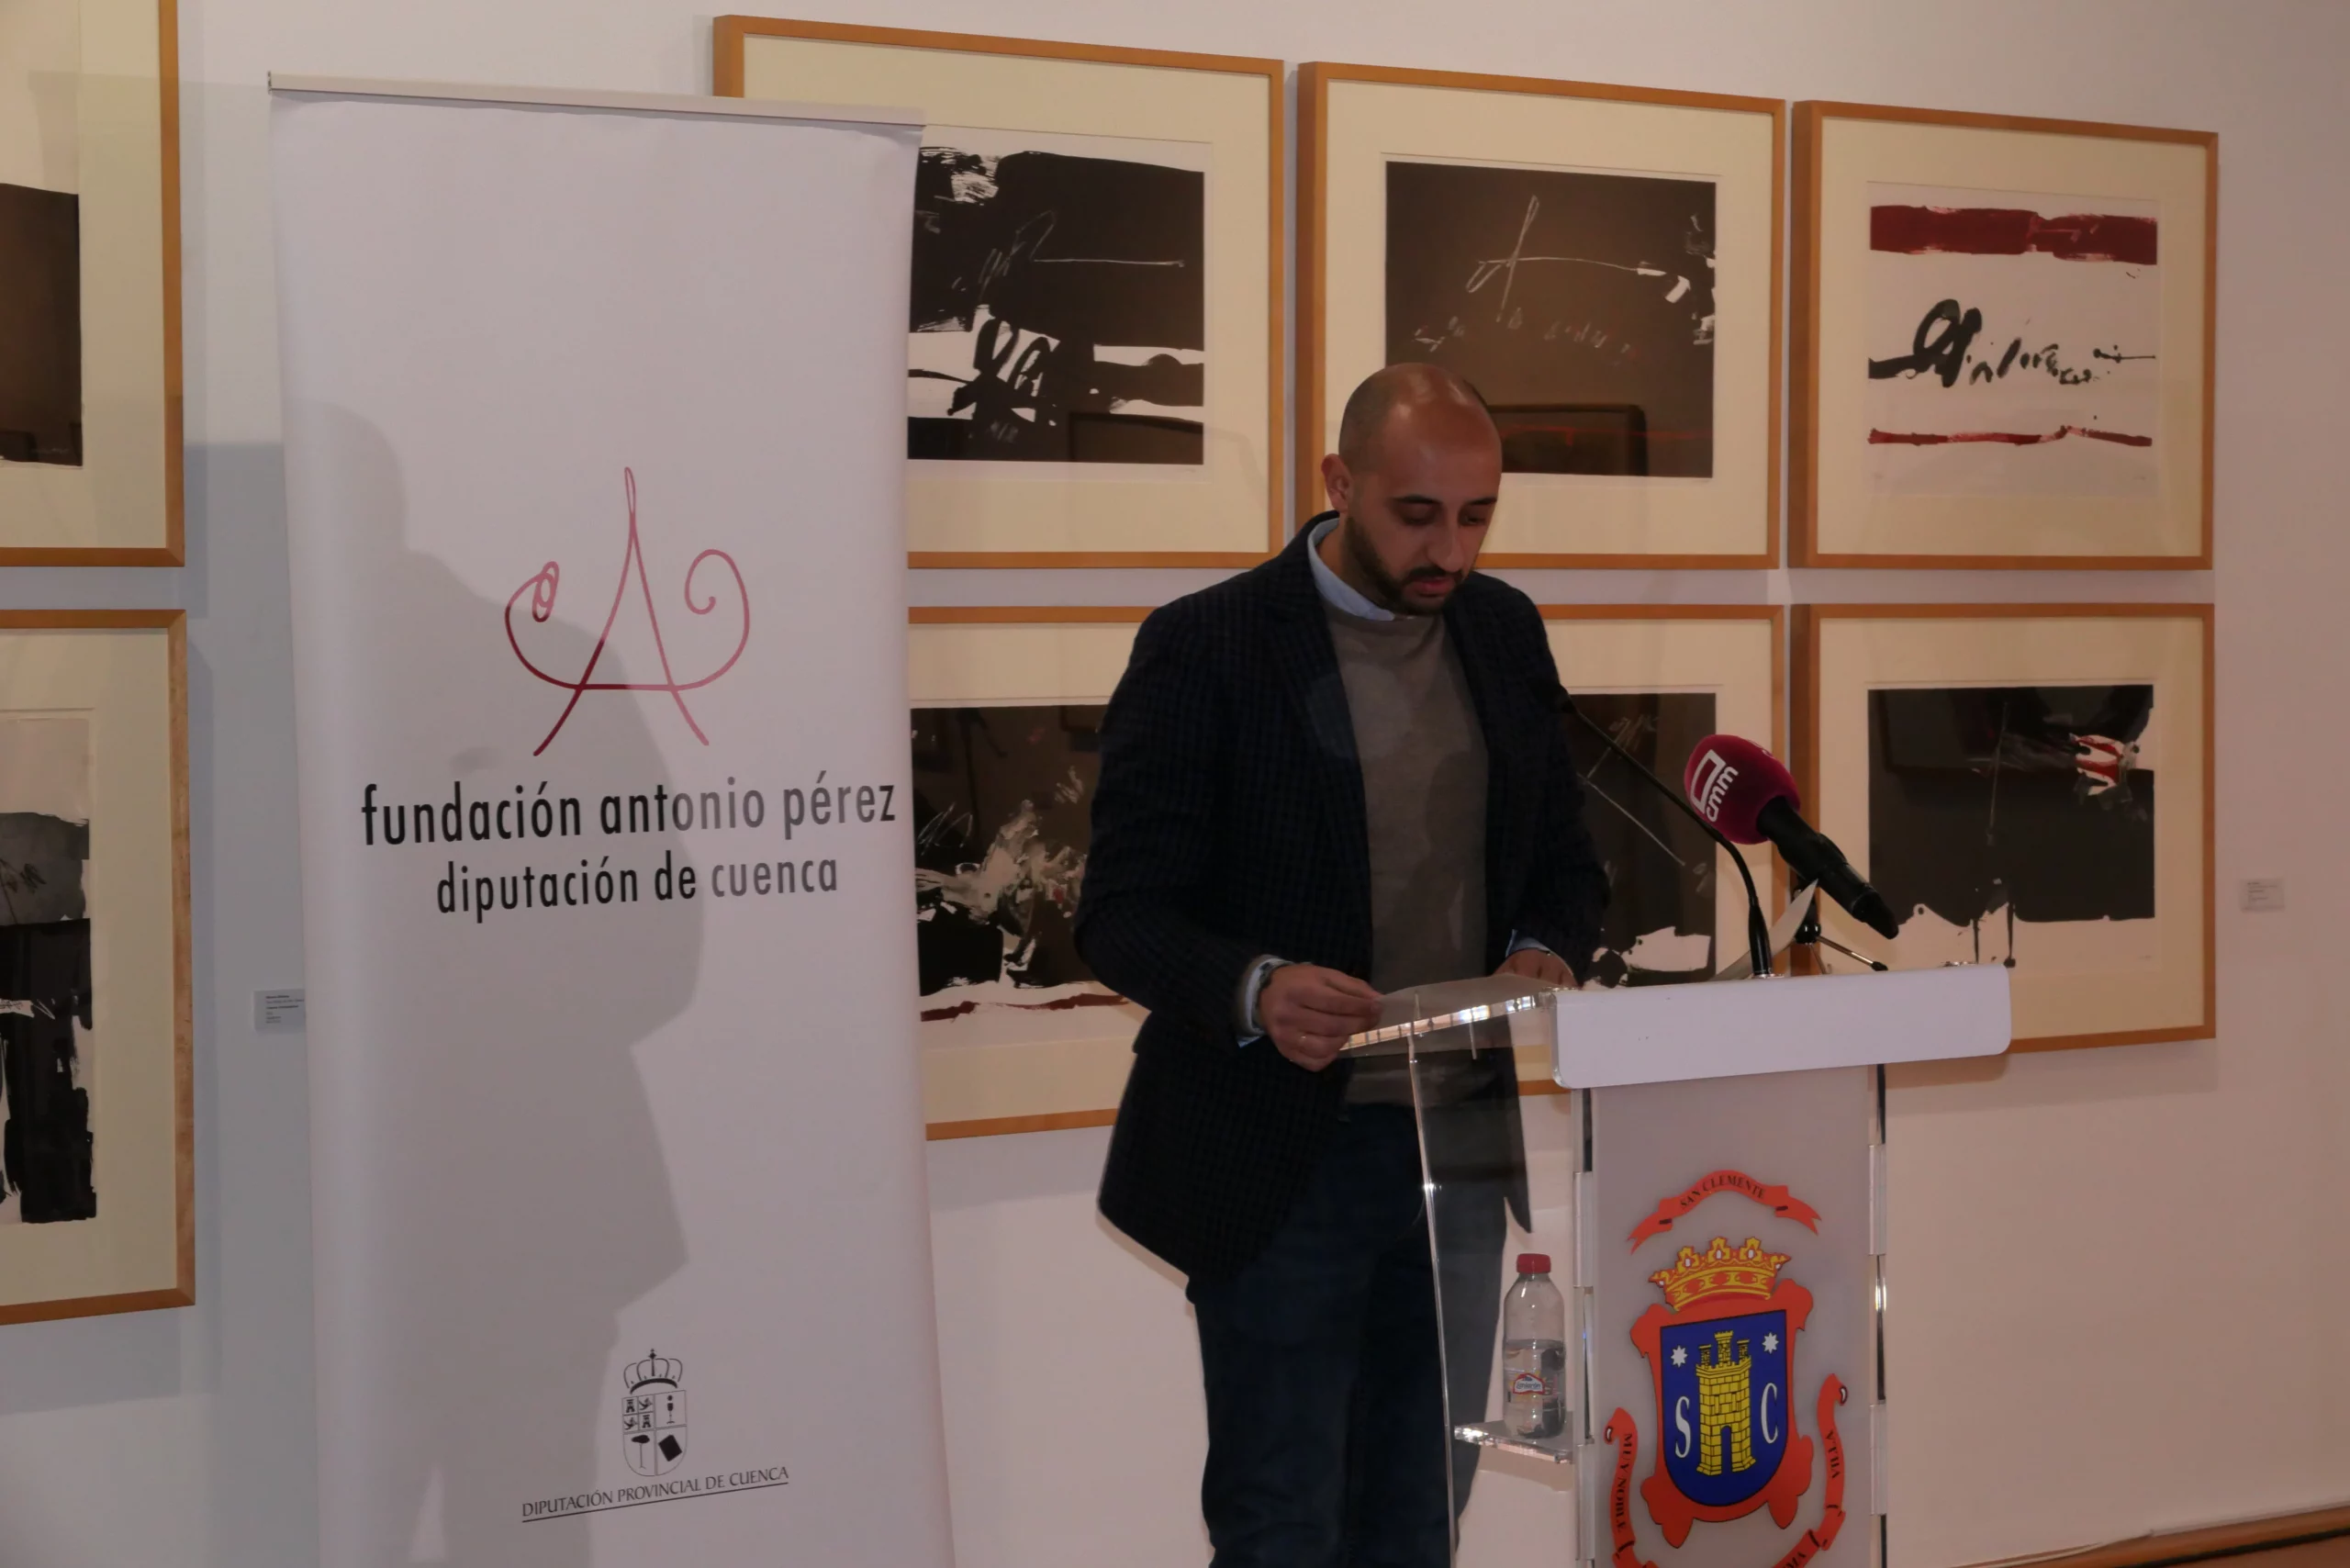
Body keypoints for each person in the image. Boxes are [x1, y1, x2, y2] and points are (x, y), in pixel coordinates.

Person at [1074, 363, 1610, 1566]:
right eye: (1416, 514)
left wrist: (1548, 947)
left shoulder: (1502, 630)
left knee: (1424, 1509)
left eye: (1477, 516)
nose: (1450, 550)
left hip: (1457, 1139)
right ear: (1338, 483)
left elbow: (1569, 868)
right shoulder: (1206, 646)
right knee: (1283, 1521)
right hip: (1278, 1153)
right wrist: (1257, 987)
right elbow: (1118, 915)